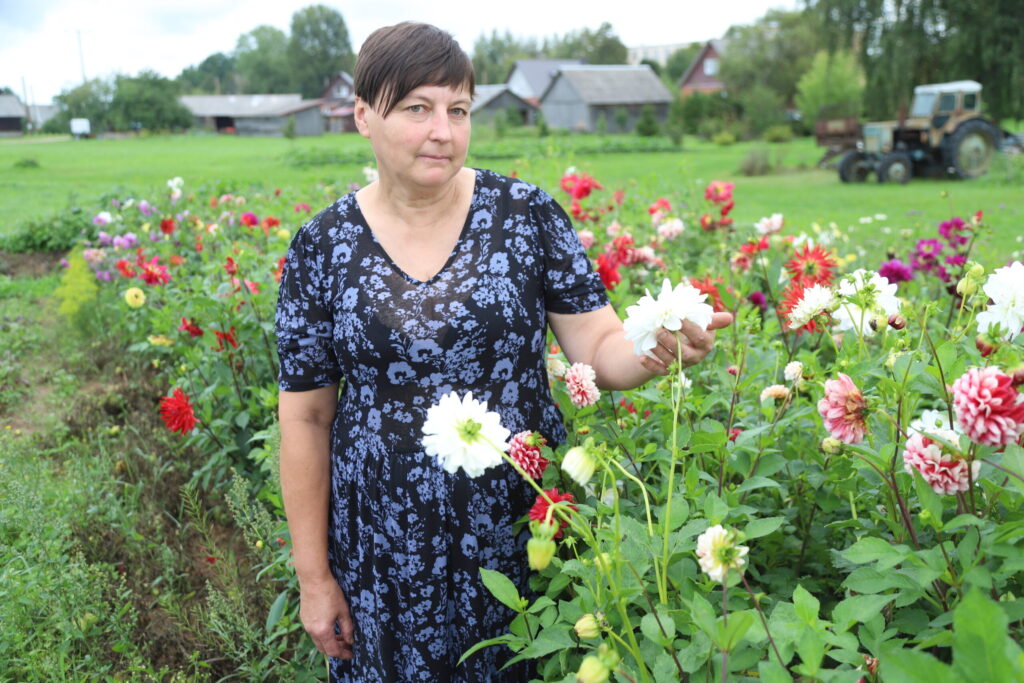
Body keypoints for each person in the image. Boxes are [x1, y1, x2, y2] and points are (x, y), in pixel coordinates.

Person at [275, 21, 732, 682]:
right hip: (382, 557)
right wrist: (314, 575)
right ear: (363, 116)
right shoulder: (322, 246)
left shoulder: (524, 215)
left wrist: (653, 347)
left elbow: (597, 346)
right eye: (417, 108)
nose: (444, 130)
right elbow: (306, 417)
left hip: (519, 537)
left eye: (458, 110)